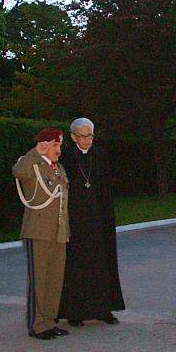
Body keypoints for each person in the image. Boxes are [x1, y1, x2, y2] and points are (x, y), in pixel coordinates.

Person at [57, 118, 125, 327]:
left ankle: (104, 310)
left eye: (90, 136)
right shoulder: (66, 157)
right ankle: (74, 313)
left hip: (98, 219)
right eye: (83, 136)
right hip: (75, 220)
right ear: (73, 137)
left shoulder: (100, 155)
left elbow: (105, 189)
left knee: (101, 265)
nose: (87, 140)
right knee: (76, 267)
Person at [13, 129, 70, 340]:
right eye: (56, 145)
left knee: (54, 280)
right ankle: (36, 325)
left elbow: (63, 203)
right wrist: (36, 151)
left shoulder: (59, 169)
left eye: (60, 145)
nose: (59, 150)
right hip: (37, 232)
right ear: (45, 145)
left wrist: (66, 230)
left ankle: (49, 321)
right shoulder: (31, 165)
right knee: (39, 280)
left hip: (58, 233)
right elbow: (18, 172)